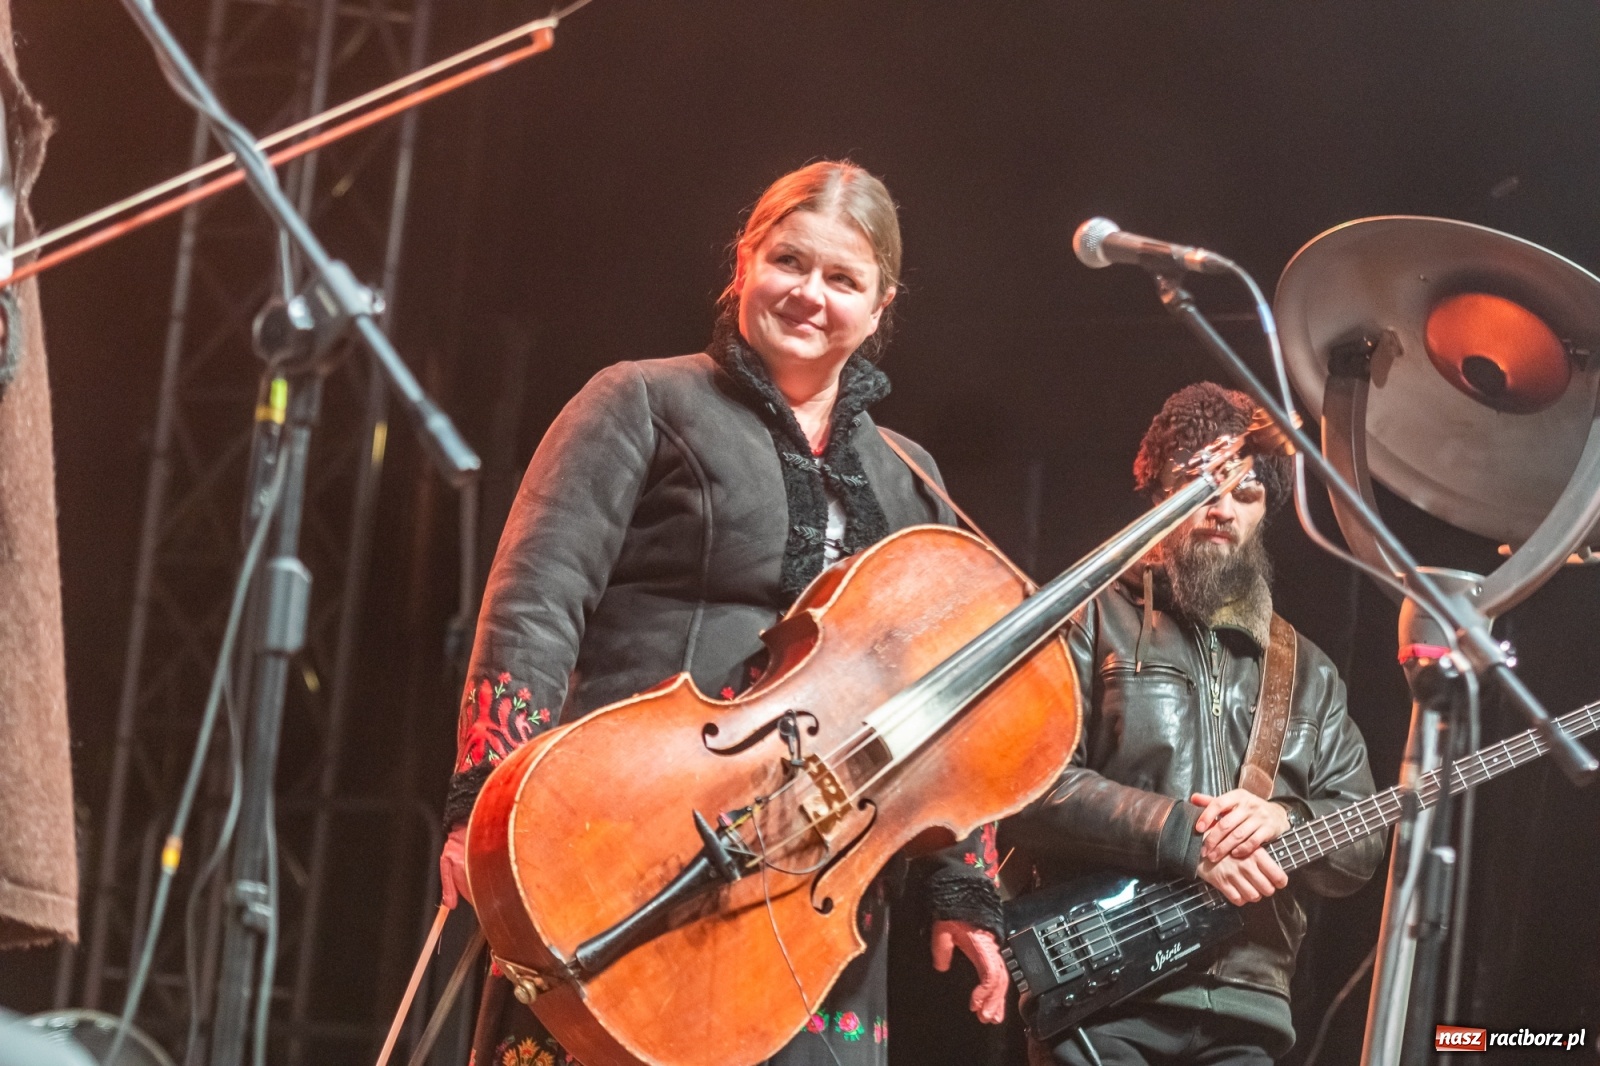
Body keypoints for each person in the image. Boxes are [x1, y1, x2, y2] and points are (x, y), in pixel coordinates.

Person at [436, 160, 1008, 1066]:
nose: (810, 294)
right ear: (743, 263)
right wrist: (485, 807)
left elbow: (948, 696)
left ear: (880, 306)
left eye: (843, 279)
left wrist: (962, 881)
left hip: (815, 874)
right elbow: (534, 608)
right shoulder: (641, 400)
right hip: (628, 835)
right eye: (789, 261)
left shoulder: (911, 477)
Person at [1005, 383, 1386, 1065]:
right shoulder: (1086, 618)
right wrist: (1185, 836)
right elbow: (1024, 787)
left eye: (1248, 493)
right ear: (1159, 493)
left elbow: (1362, 844)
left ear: (1266, 511)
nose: (1222, 509)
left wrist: (1286, 819)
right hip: (1103, 995)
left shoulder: (1309, 671)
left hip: (1248, 1006)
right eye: (1200, 486)